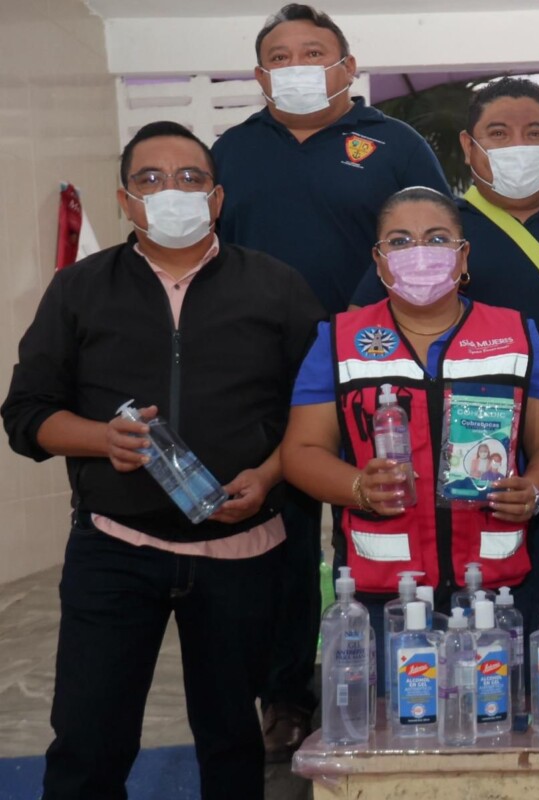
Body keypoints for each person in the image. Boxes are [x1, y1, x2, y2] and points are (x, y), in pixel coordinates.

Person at [1, 121, 323, 799]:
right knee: (88, 741)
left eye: (189, 178)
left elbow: (318, 412)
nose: (171, 191)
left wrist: (270, 474)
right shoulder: (80, 288)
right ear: (125, 200)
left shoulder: (278, 287)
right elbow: (26, 413)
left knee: (232, 745)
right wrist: (101, 439)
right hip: (116, 551)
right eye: (150, 179)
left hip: (242, 554)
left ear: (216, 198)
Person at [210, 3, 450, 758]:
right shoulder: (231, 151)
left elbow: (434, 239)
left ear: (348, 66)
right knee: (273, 538)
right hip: (258, 370)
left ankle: (389, 680)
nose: (296, 68)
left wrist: (359, 324)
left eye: (312, 53)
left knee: (377, 509)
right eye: (279, 57)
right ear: (259, 76)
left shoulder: (395, 144)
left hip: (375, 362)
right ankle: (284, 694)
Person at [351, 77, 539, 637]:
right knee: (479, 633)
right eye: (498, 133)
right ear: (468, 145)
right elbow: (365, 335)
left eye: (535, 133)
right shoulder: (436, 235)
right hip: (459, 478)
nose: (517, 146)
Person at [281, 186, 539, 684]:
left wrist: (535, 489)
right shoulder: (339, 340)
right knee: (388, 721)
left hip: (494, 592)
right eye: (400, 241)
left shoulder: (517, 335)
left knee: (493, 716)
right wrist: (358, 487)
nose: (419, 252)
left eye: (437, 238)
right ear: (378, 259)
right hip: (382, 595)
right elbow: (301, 451)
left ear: (463, 255)